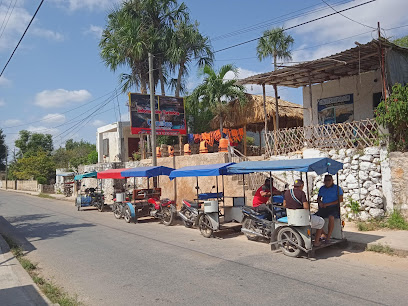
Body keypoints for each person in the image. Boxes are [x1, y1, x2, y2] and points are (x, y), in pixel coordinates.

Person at [283, 179, 324, 247]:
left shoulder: (287, 192)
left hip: (291, 217)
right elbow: (306, 206)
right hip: (301, 219)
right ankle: (316, 242)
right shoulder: (301, 193)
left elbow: (284, 205)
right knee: (321, 221)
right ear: (301, 186)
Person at [316, 174, 343, 242]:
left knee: (331, 217)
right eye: (326, 180)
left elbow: (340, 200)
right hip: (324, 207)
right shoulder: (322, 188)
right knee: (315, 218)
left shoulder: (337, 188)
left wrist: (329, 204)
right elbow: (318, 198)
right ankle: (324, 234)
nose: (327, 182)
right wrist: (320, 202)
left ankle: (329, 236)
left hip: (333, 207)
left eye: (329, 180)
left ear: (332, 180)